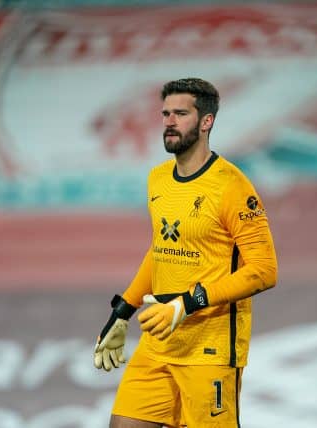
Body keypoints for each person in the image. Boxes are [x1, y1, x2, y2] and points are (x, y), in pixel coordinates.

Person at [93, 77, 278, 427]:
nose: (169, 122)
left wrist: (186, 304)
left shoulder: (232, 186)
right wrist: (122, 312)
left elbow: (264, 270)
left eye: (180, 113)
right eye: (165, 113)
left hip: (209, 349)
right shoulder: (158, 179)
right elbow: (161, 251)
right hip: (159, 342)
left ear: (206, 121)